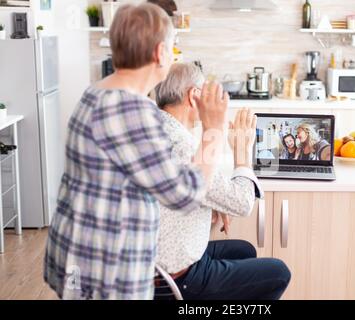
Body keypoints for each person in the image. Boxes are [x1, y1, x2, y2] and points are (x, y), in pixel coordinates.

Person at [44, 4, 228, 300]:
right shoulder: (131, 112)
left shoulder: (96, 93)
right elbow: (185, 194)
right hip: (107, 275)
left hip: (77, 255)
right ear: (159, 53)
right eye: (172, 47)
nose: (173, 54)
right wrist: (213, 130)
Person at [154, 63, 291, 300]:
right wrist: (242, 154)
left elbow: (191, 185)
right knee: (279, 273)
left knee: (244, 250)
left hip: (160, 259)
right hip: (177, 279)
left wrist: (214, 199)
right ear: (194, 96)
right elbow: (243, 203)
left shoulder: (160, 127)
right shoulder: (183, 146)